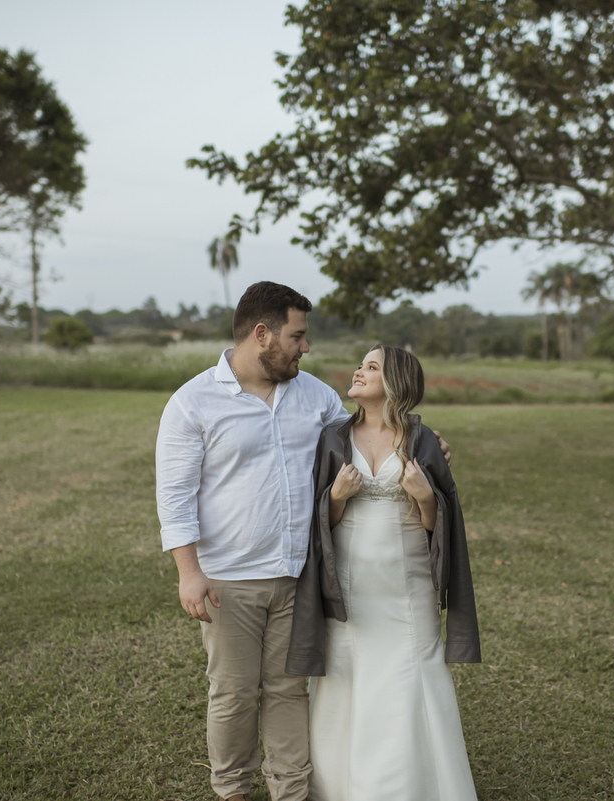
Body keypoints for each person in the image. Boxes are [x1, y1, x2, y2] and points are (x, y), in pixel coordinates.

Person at [155, 283, 449, 801]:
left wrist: (425, 440)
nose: (305, 347)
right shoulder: (191, 402)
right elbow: (175, 496)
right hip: (229, 578)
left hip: (299, 572)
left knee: (290, 690)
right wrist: (189, 572)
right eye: (298, 336)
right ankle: (232, 790)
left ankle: (290, 791)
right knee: (234, 695)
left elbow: (366, 436)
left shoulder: (314, 396)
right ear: (262, 334)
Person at [287, 344, 481, 801]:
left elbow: (443, 528)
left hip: (406, 587)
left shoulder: (424, 440)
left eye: (371, 367)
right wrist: (334, 498)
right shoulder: (333, 437)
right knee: (345, 679)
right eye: (361, 364)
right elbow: (319, 523)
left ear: (394, 383)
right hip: (348, 587)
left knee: (405, 676)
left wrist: (426, 497)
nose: (358, 370)